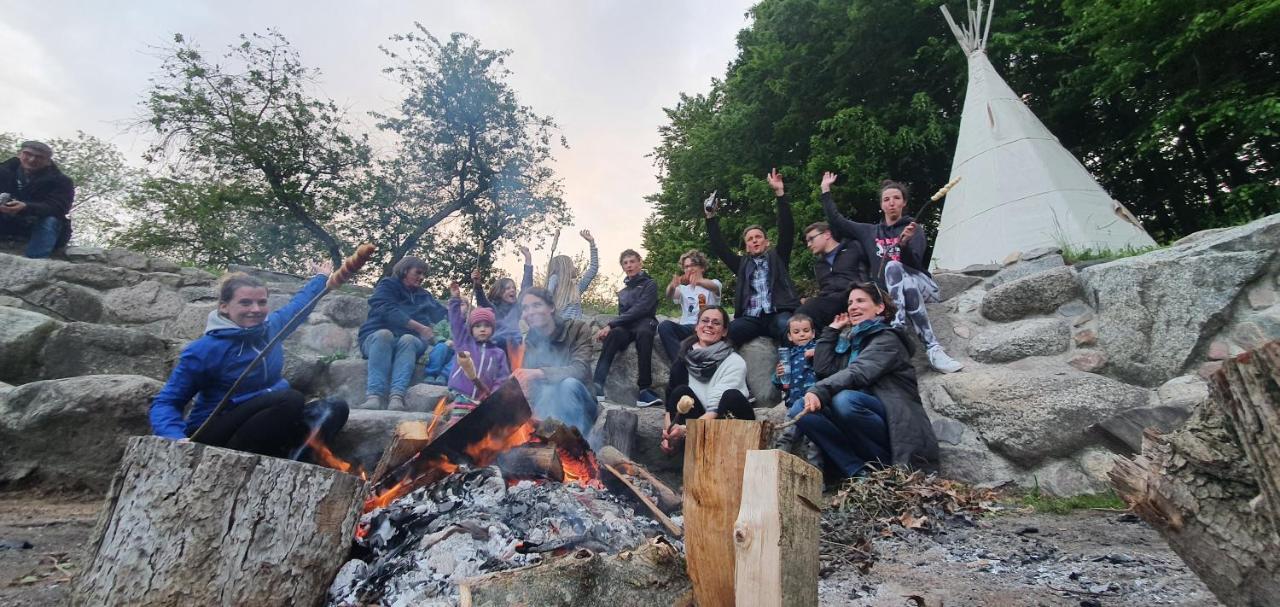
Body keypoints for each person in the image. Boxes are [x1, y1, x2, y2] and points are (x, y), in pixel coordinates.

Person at [149, 265, 349, 458]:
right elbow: (167, 401)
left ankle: (293, 461)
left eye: (262, 302)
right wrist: (175, 437)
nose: (255, 309)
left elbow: (300, 306)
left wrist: (321, 278)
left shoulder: (272, 328)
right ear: (224, 307)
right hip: (217, 432)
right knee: (290, 399)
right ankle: (245, 460)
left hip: (267, 420)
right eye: (245, 303)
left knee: (335, 408)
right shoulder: (205, 349)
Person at [818, 172, 963, 373]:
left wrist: (903, 244)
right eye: (886, 199)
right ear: (881, 205)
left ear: (904, 203)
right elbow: (837, 220)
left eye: (896, 198)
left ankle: (898, 326)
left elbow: (914, 264)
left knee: (895, 267)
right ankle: (933, 349)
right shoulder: (869, 232)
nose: (891, 203)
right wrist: (825, 189)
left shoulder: (914, 229)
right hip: (897, 294)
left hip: (924, 287)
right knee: (904, 284)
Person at [798, 282, 940, 478]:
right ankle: (858, 471)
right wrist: (831, 331)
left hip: (893, 427)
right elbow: (823, 370)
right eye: (849, 303)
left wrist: (818, 390)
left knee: (846, 401)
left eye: (860, 301)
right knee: (801, 408)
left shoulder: (888, 339)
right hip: (858, 423)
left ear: (880, 308)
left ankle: (885, 469)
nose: (853, 306)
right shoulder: (850, 341)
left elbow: (859, 371)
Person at [705, 169, 799, 346]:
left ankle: (790, 368)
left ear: (766, 242)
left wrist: (780, 194)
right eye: (750, 239)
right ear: (746, 246)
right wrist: (710, 217)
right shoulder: (741, 265)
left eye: (758, 237)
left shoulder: (778, 257)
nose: (754, 241)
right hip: (751, 318)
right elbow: (720, 248)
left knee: (789, 327)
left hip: (777, 313)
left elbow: (787, 229)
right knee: (725, 333)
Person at [660, 306, 755, 454]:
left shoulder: (735, 362)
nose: (709, 325)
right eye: (705, 321)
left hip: (727, 421)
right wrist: (669, 434)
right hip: (698, 423)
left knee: (731, 396)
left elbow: (716, 409)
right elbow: (670, 407)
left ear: (724, 331)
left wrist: (685, 430)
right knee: (680, 392)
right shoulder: (683, 360)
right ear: (697, 327)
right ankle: (682, 448)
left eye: (716, 323)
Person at [357, 256, 447, 411]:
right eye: (418, 273)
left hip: (410, 343)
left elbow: (443, 315)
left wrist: (460, 307)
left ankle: (397, 397)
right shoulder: (387, 285)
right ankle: (374, 396)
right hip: (376, 339)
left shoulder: (424, 295)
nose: (422, 278)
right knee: (384, 334)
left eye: (424, 274)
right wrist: (419, 327)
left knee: (408, 339)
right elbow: (386, 309)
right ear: (405, 270)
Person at [512, 287, 599, 437]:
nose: (530, 312)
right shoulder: (530, 342)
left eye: (536, 305)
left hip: (582, 403)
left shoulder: (577, 329)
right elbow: (532, 389)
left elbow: (580, 369)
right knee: (543, 394)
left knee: (567, 385)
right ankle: (552, 442)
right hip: (549, 407)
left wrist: (539, 373)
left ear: (551, 307)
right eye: (525, 308)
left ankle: (575, 445)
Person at [591, 248, 662, 407]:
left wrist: (610, 324)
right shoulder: (623, 292)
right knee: (615, 334)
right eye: (625, 263)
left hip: (645, 322)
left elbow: (642, 309)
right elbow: (624, 315)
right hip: (628, 327)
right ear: (622, 267)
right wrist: (612, 329)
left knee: (644, 333)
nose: (629, 265)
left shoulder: (650, 284)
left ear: (639, 263)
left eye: (632, 261)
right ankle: (597, 386)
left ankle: (644, 390)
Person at [443, 281, 511, 426]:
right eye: (478, 326)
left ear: (492, 329)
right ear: (471, 329)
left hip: (483, 400)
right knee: (456, 426)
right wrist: (455, 300)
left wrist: (494, 393)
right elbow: (456, 323)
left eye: (487, 326)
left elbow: (502, 377)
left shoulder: (498, 353)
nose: (482, 329)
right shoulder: (464, 342)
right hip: (461, 395)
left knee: (477, 429)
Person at [0, 141, 74, 259]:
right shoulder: (3, 171)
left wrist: (26, 207)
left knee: (51, 220)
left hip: (36, 224)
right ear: (20, 154)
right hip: (5, 222)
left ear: (48, 161)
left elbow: (59, 207)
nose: (32, 159)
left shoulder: (61, 181)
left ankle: (35, 264)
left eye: (39, 157)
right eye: (28, 154)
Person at [795, 221, 867, 329]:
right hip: (829, 302)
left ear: (827, 234)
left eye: (811, 239)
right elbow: (825, 290)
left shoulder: (853, 248)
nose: (809, 245)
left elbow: (866, 274)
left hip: (852, 296)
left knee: (805, 311)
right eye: (807, 241)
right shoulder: (819, 265)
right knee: (799, 317)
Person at [657, 249, 722, 363]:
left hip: (705, 327)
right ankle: (681, 364)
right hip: (687, 328)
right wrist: (672, 286)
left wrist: (699, 281)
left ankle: (682, 365)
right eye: (686, 267)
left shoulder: (714, 283)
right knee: (664, 326)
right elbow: (669, 295)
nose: (689, 269)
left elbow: (714, 288)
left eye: (693, 265)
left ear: (702, 267)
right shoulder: (683, 289)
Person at [473, 246, 534, 349]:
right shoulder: (493, 309)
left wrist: (528, 260)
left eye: (514, 288)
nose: (512, 290)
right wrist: (477, 285)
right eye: (508, 288)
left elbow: (526, 287)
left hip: (515, 346)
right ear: (499, 292)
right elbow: (482, 302)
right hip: (496, 346)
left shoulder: (517, 308)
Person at [547, 229, 600, 320]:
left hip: (575, 328)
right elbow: (548, 295)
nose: (574, 268)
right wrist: (553, 277)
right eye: (571, 265)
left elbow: (593, 269)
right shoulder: (554, 284)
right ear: (565, 270)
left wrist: (592, 243)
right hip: (560, 328)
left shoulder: (576, 289)